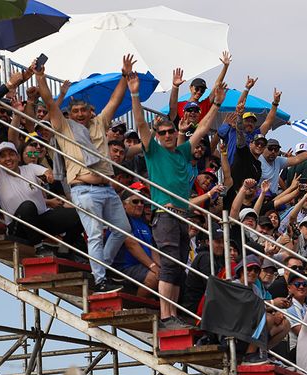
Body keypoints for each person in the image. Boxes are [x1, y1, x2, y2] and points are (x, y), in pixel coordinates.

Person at [129, 72, 225, 328]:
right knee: (170, 265)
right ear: (158, 135)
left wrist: (216, 104)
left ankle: (171, 314)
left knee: (178, 265)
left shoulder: (182, 151)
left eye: (171, 131)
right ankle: (165, 316)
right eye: (163, 132)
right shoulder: (153, 151)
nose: (169, 134)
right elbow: (140, 125)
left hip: (182, 216)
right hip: (165, 214)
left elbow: (202, 128)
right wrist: (135, 94)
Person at [35, 56, 133, 293]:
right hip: (84, 190)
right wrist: (40, 77)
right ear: (70, 113)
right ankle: (99, 280)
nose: (79, 114)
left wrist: (124, 76)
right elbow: (49, 102)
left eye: (83, 110)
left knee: (123, 230)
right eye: (75, 110)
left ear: (91, 112)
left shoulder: (100, 123)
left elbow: (114, 100)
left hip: (106, 188)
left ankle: (101, 268)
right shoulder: (65, 126)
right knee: (96, 235)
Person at [0, 125, 84, 257]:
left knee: (81, 215)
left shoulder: (30, 168)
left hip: (41, 221)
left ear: (18, 157)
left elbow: (45, 171)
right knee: (28, 206)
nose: (8, 158)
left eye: (11, 154)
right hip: (18, 226)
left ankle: (66, 248)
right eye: (3, 156)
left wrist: (49, 175)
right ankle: (39, 248)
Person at [110, 190, 160, 297]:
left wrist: (160, 266)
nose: (140, 205)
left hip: (141, 265)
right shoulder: (121, 220)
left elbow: (151, 248)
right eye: (135, 202)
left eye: (142, 202)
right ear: (124, 205)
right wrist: (152, 266)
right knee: (154, 277)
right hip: (125, 266)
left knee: (168, 275)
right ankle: (135, 306)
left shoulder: (143, 222)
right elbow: (131, 245)